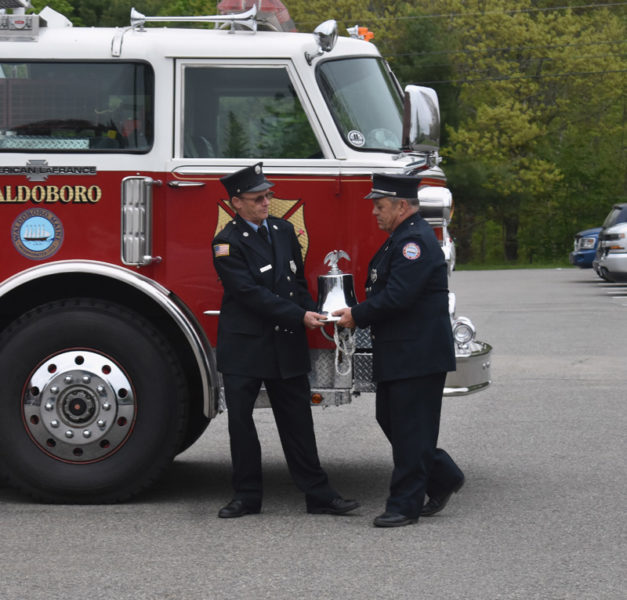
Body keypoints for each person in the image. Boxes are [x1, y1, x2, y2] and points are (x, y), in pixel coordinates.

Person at [212, 162, 359, 519]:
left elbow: (294, 283)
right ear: (236, 203)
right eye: (258, 198)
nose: (266, 203)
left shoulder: (282, 230)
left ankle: (319, 495)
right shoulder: (225, 243)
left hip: (285, 341)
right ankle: (246, 496)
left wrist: (317, 312)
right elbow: (249, 294)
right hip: (246, 345)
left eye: (268, 196)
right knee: (241, 425)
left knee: (297, 422)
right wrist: (298, 316)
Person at [334, 172, 464, 528]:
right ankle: (445, 475)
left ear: (402, 206)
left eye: (381, 206)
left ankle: (404, 506)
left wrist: (356, 316)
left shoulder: (414, 242)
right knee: (393, 420)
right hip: (401, 351)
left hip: (417, 355)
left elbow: (398, 296)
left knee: (410, 429)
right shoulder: (400, 238)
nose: (375, 212)